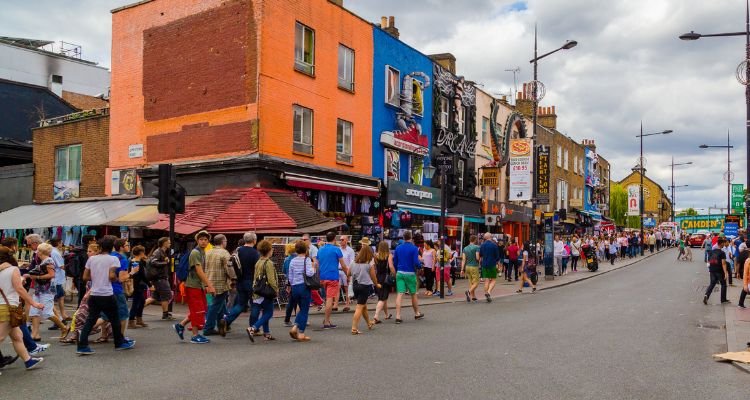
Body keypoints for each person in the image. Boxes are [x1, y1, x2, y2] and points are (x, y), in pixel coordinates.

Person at [76, 236, 135, 355]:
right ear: (112, 246)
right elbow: (112, 276)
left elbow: (85, 277)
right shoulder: (113, 259)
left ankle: (82, 345)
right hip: (107, 293)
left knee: (91, 319)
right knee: (115, 319)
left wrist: (97, 276)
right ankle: (119, 342)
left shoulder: (92, 259)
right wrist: (115, 279)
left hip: (94, 293)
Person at [0, 246, 45, 370]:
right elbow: (19, 288)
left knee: (17, 336)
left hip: (4, 306)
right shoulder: (13, 269)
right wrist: (33, 303)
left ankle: (28, 360)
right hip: (9, 306)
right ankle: (28, 360)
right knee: (1, 337)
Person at [174, 230, 215, 344]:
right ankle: (195, 336)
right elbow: (199, 270)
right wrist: (209, 285)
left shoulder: (202, 252)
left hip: (198, 285)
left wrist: (205, 285)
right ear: (197, 240)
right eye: (201, 239)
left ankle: (180, 325)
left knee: (201, 309)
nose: (203, 241)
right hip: (192, 285)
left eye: (206, 239)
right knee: (197, 310)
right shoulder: (196, 253)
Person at [27, 243, 70, 341]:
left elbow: (52, 275)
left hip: (47, 289)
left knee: (47, 313)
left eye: (38, 250)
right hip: (40, 288)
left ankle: (63, 327)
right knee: (34, 311)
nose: (36, 252)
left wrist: (37, 277)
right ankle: (35, 334)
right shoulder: (44, 261)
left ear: (41, 252)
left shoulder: (48, 261)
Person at [223, 231, 259, 332]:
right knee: (255, 304)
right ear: (254, 240)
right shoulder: (255, 253)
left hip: (240, 280)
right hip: (251, 281)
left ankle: (226, 320)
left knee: (240, 304)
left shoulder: (238, 251)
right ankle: (253, 327)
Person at [246, 240, 278, 342]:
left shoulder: (258, 262)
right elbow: (272, 279)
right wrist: (276, 290)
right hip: (267, 291)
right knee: (269, 313)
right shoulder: (269, 263)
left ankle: (267, 333)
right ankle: (253, 328)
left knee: (264, 312)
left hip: (258, 290)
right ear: (269, 250)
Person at [203, 234, 234, 337]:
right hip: (221, 282)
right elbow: (229, 268)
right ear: (222, 242)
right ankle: (208, 328)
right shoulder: (224, 253)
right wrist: (233, 278)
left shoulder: (208, 252)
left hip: (209, 281)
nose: (226, 243)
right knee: (216, 305)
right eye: (225, 241)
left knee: (219, 304)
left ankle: (221, 325)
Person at [318, 232, 348, 329]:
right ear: (334, 238)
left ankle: (327, 320)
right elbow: (343, 265)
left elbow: (317, 264)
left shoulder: (320, 250)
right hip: (332, 277)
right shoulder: (336, 250)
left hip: (322, 277)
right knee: (330, 299)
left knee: (327, 298)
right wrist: (348, 274)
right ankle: (326, 322)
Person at [393, 231, 424, 324]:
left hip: (400, 272)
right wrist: (420, 266)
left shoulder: (398, 248)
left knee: (400, 294)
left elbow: (395, 261)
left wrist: (397, 269)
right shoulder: (414, 249)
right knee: (413, 294)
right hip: (410, 273)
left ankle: (398, 316)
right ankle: (416, 313)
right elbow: (415, 262)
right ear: (411, 238)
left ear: (403, 237)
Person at [349, 242, 380, 335]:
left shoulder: (353, 262)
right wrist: (376, 284)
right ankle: (354, 328)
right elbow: (373, 277)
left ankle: (368, 323)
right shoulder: (368, 265)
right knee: (359, 307)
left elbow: (348, 274)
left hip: (355, 285)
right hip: (364, 286)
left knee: (363, 305)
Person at [287, 240, 314, 342]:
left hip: (295, 287)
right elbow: (310, 273)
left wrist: (291, 285)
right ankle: (301, 333)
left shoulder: (292, 260)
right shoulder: (306, 260)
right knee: (304, 310)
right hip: (304, 286)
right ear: (306, 249)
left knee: (301, 308)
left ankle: (295, 327)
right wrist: (313, 268)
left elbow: (290, 276)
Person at [144, 237, 174, 320]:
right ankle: (165, 314)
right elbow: (154, 262)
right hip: (160, 278)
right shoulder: (158, 252)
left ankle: (137, 310)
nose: (170, 243)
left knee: (154, 297)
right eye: (168, 242)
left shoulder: (162, 252)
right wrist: (165, 262)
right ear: (164, 243)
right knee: (166, 295)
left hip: (158, 278)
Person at [49, 238, 71, 325]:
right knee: (52, 299)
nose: (62, 244)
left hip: (58, 279)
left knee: (61, 297)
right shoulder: (55, 253)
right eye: (61, 242)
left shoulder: (54, 251)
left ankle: (63, 314)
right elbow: (61, 266)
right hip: (56, 279)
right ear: (58, 243)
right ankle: (59, 319)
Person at [373, 241, 395, 323]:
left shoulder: (375, 255)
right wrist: (394, 274)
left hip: (378, 277)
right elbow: (391, 266)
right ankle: (376, 316)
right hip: (385, 278)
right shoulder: (389, 255)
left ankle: (386, 314)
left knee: (382, 296)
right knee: (382, 298)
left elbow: (375, 268)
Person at [127, 245, 148, 329]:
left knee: (142, 301)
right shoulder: (137, 262)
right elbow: (142, 275)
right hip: (137, 285)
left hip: (137, 284)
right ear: (141, 253)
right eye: (144, 252)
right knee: (136, 303)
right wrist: (150, 285)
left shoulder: (134, 261)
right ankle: (131, 321)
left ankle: (139, 319)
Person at [704, 238, 730, 305]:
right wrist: (725, 273)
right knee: (723, 284)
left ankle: (706, 295)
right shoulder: (722, 253)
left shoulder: (712, 251)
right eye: (723, 243)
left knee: (712, 284)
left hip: (712, 270)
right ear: (721, 244)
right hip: (719, 271)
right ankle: (723, 299)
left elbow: (709, 260)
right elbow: (723, 263)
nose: (724, 244)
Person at [478, 232, 500, 302]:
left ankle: (486, 293)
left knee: (487, 280)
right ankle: (489, 292)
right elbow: (497, 257)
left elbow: (480, 255)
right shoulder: (494, 245)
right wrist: (498, 264)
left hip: (484, 264)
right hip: (492, 264)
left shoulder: (482, 245)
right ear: (491, 237)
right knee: (493, 279)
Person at [337, 235, 355, 312]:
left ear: (346, 240)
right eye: (340, 240)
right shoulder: (338, 249)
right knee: (337, 287)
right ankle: (336, 304)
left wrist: (349, 273)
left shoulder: (350, 250)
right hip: (338, 270)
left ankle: (347, 304)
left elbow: (352, 262)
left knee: (346, 287)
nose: (341, 241)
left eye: (342, 240)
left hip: (346, 271)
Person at [461, 235, 481, 303]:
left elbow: (463, 259)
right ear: (475, 240)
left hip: (467, 267)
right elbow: (477, 257)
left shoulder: (465, 248)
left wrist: (462, 269)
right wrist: (479, 260)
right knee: (476, 282)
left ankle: (473, 297)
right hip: (474, 266)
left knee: (471, 282)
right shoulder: (477, 247)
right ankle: (468, 292)